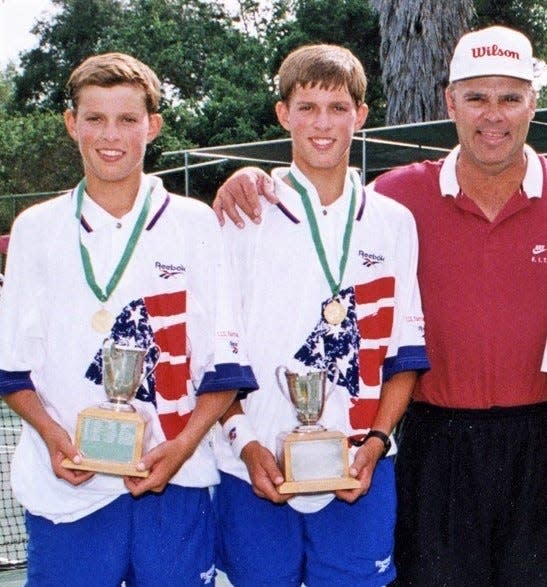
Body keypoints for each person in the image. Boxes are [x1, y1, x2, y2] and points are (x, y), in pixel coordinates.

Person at [213, 26, 547, 586]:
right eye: (476, 97)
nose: (494, 115)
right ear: (451, 103)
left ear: (533, 102)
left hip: (536, 439)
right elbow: (322, 194)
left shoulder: (394, 214)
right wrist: (244, 178)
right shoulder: (399, 197)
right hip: (432, 441)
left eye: (510, 97)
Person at [0, 52, 257, 586]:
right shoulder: (35, 228)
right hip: (68, 489)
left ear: (153, 125)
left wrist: (182, 448)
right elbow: (12, 370)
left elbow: (223, 367)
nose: (109, 135)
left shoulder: (196, 224)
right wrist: (52, 436)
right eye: (94, 118)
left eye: (127, 119)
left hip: (174, 481)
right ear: (72, 124)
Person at [212, 43, 429, 587]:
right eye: (307, 108)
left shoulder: (394, 220)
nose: (322, 124)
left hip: (359, 466)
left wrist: (376, 444)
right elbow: (212, 353)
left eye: (337, 108)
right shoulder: (245, 212)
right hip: (254, 464)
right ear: (284, 114)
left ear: (360, 114)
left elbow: (404, 356)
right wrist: (246, 442)